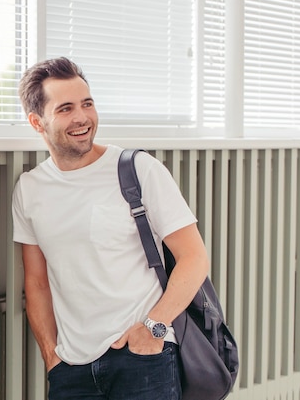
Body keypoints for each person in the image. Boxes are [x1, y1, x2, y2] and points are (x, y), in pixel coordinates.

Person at [12, 57, 210, 400]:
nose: (82, 118)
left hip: (144, 356)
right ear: (36, 122)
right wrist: (51, 357)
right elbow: (37, 283)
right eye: (66, 109)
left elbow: (193, 257)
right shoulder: (30, 189)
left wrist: (154, 328)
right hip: (71, 369)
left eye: (87, 104)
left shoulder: (138, 169)